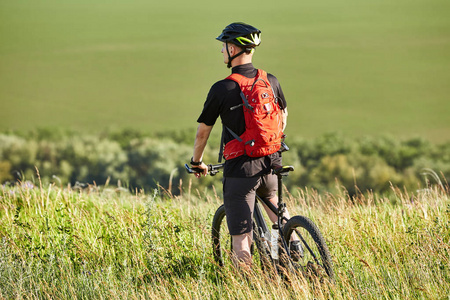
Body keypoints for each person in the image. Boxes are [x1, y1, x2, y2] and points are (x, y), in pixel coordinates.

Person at [190, 22, 299, 268]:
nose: (221, 52)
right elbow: (283, 116)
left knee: (241, 239)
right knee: (274, 206)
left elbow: (202, 133)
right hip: (272, 163)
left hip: (241, 171)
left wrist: (197, 162)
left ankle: (246, 288)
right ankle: (294, 244)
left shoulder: (222, 88)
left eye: (224, 46)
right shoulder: (270, 80)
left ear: (233, 49)